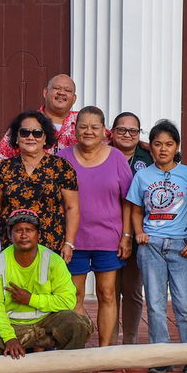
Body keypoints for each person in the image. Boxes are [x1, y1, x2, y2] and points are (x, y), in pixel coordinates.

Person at [0, 209, 93, 373]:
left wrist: (30, 299)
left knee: (78, 324)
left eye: (29, 229)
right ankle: (11, 370)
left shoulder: (53, 260)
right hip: (14, 325)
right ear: (10, 235)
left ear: (38, 234)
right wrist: (10, 338)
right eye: (18, 230)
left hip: (47, 322)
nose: (23, 235)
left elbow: (69, 301)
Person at [125, 120, 187, 373]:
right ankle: (161, 356)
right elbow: (135, 208)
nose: (163, 149)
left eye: (169, 144)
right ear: (151, 147)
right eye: (157, 144)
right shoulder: (143, 175)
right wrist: (138, 233)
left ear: (176, 146)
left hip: (182, 247)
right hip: (152, 247)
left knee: (185, 305)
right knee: (155, 304)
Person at [58, 106, 133, 347]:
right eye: (83, 127)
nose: (88, 131)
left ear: (104, 131)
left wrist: (126, 236)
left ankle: (104, 350)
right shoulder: (63, 158)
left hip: (108, 239)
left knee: (107, 293)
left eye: (94, 127)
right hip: (73, 240)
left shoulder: (117, 158)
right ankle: (78, 349)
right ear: (75, 129)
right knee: (74, 296)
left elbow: (128, 201)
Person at [0, 109, 79, 254]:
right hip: (11, 245)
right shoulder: (3, 168)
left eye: (37, 133)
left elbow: (72, 207)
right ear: (17, 138)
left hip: (51, 245)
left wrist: (69, 243)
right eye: (24, 133)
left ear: (45, 138)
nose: (30, 137)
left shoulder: (61, 167)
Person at [110, 111, 150, 344]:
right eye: (122, 130)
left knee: (133, 290)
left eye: (133, 130)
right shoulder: (103, 152)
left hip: (138, 232)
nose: (127, 134)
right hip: (108, 230)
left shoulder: (148, 154)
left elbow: (172, 156)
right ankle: (111, 338)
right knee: (110, 290)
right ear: (112, 132)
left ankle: (130, 341)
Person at [0, 73, 79, 161]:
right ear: (45, 92)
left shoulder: (83, 123)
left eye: (67, 90)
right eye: (57, 88)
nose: (61, 93)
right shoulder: (27, 122)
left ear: (74, 98)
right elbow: (2, 158)